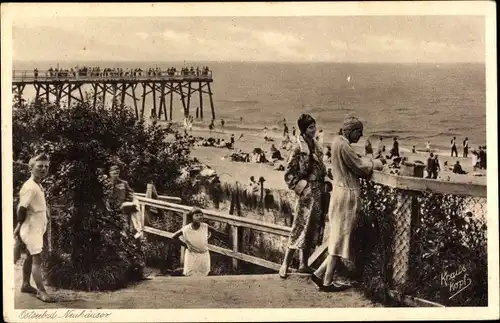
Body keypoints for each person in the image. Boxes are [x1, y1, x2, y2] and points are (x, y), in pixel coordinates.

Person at [311, 116, 385, 291]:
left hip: (338, 192)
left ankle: (318, 274)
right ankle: (327, 282)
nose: (361, 135)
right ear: (351, 131)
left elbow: (354, 160)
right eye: (359, 132)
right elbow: (360, 167)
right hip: (346, 195)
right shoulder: (344, 145)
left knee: (337, 236)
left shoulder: (337, 142)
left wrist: (366, 161)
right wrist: (377, 163)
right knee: (340, 238)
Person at [280, 114, 327, 278]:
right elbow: (288, 173)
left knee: (312, 228)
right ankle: (285, 264)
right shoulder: (298, 148)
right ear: (303, 129)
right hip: (306, 192)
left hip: (318, 190)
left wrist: (325, 180)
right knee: (299, 226)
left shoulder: (318, 146)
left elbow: (323, 169)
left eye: (314, 126)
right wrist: (301, 186)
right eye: (310, 127)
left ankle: (304, 264)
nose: (313, 130)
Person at [13, 154, 54, 302]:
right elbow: (21, 208)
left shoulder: (38, 184)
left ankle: (25, 284)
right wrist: (18, 227)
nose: (43, 169)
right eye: (40, 166)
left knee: (31, 256)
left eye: (46, 166)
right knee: (38, 258)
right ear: (31, 168)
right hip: (31, 228)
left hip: (37, 226)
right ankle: (41, 291)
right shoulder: (30, 187)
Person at [172, 208, 225, 276]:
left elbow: (214, 231)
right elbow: (174, 236)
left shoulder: (205, 226)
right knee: (191, 274)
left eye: (201, 215)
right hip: (192, 254)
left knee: (203, 274)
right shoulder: (186, 229)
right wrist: (185, 245)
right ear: (191, 217)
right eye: (196, 215)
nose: (199, 217)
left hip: (203, 254)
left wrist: (208, 239)